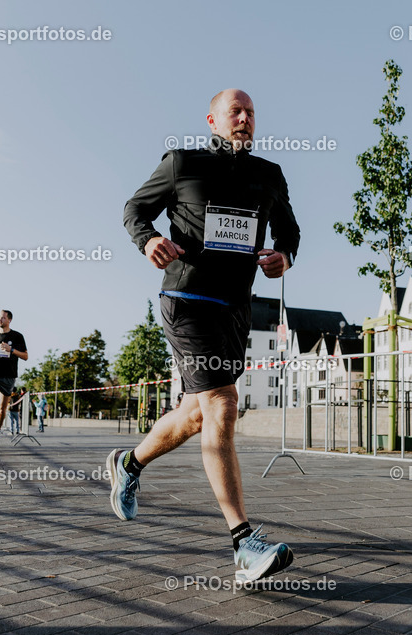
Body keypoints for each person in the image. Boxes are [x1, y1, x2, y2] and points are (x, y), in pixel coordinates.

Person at [112, 89, 300, 582]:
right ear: (213, 120)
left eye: (251, 113)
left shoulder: (268, 175)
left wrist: (285, 256)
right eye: (235, 112)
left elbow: (290, 230)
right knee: (222, 402)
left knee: (196, 414)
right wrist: (148, 238)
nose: (244, 119)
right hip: (188, 300)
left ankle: (129, 464)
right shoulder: (182, 163)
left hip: (236, 309)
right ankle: (243, 545)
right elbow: (134, 208)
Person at [0, 310, 28, 453]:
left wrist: (11, 349)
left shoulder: (17, 336)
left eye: (3, 317)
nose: (0, 319)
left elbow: (26, 356)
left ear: (9, 320)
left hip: (8, 375)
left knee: (2, 409)